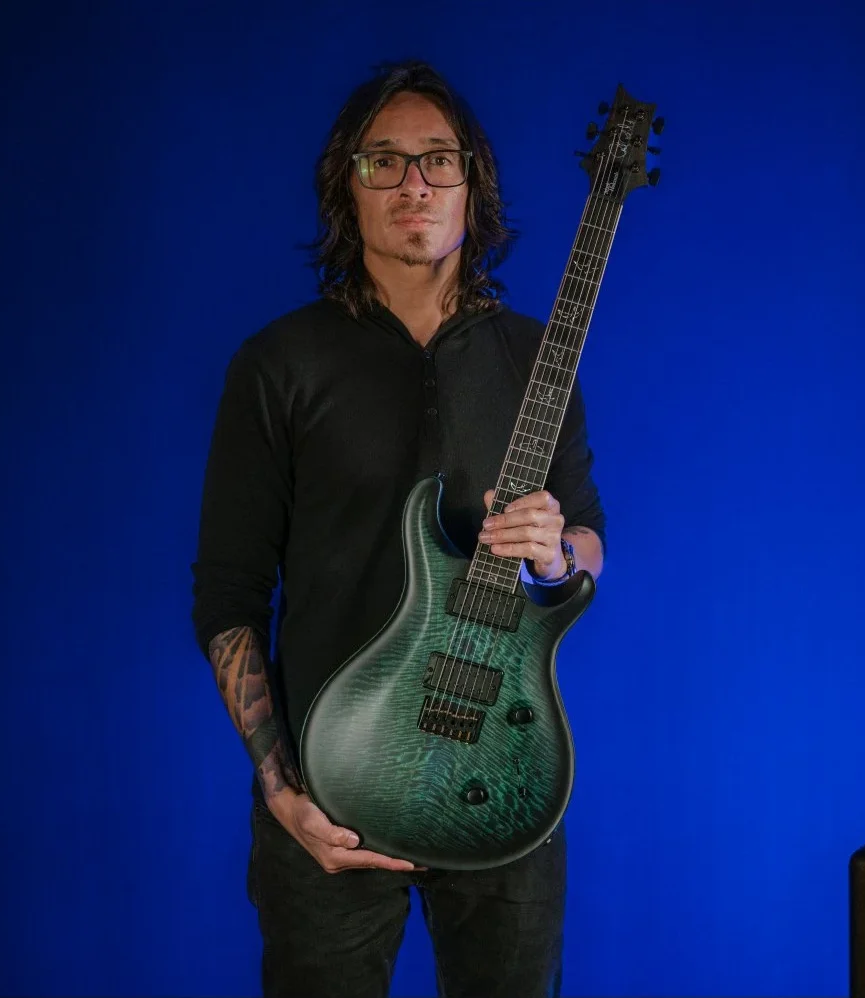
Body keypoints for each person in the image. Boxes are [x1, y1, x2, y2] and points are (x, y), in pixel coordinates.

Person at [190, 58, 607, 998]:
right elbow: (227, 594)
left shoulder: (539, 357)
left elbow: (588, 541)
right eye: (383, 161)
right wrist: (281, 790)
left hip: (506, 775)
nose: (414, 184)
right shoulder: (278, 365)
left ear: (473, 182)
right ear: (349, 185)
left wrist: (555, 553)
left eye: (438, 159)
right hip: (331, 787)